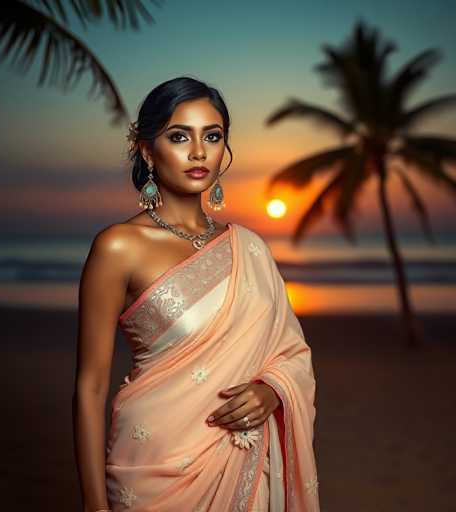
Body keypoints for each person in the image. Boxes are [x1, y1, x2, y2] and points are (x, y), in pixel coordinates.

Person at [72, 76, 320, 512]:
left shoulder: (249, 247)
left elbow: (292, 352)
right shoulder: (118, 246)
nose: (198, 151)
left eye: (213, 136)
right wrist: (93, 504)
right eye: (179, 136)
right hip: (153, 465)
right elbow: (90, 386)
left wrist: (273, 391)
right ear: (148, 150)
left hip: (243, 459)